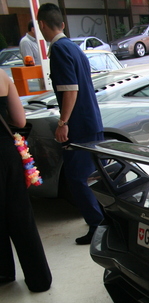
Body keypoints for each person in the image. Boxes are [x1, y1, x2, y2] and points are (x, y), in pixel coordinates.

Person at [37, 3, 104, 245]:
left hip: (79, 125)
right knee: (96, 175)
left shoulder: (59, 50)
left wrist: (63, 122)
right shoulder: (75, 49)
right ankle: (104, 219)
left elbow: (70, 91)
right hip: (92, 120)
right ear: (62, 24)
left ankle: (97, 226)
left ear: (42, 24)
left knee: (78, 178)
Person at [0, 69, 52, 292]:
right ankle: (39, 279)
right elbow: (20, 120)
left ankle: (3, 272)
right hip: (5, 154)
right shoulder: (2, 76)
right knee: (21, 216)